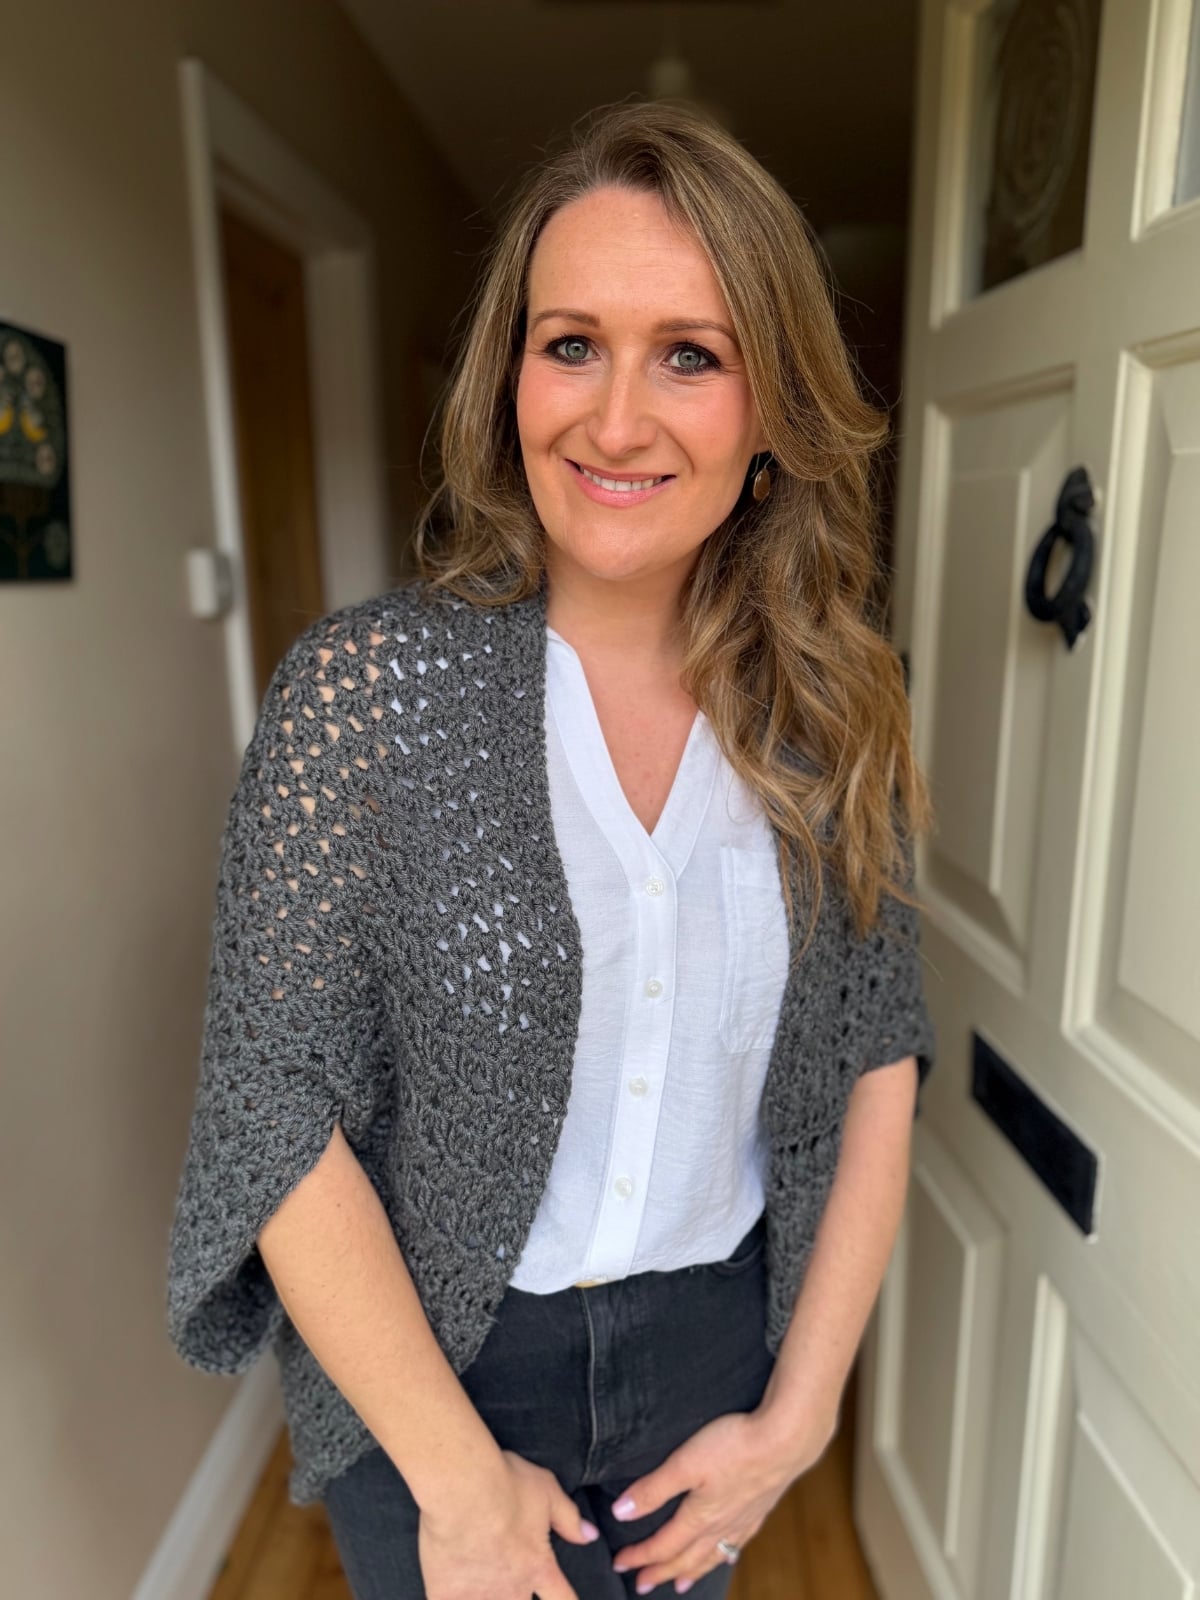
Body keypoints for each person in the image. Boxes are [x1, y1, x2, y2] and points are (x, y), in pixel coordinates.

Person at [165, 99, 937, 1600]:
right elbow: (270, 1106)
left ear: (772, 410)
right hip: (442, 1362)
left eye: (692, 356)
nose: (615, 418)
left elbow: (876, 1057)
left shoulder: (831, 715)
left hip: (721, 1354)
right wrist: (454, 1485)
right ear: (510, 373)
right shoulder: (367, 698)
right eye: (571, 342)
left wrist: (800, 1418)